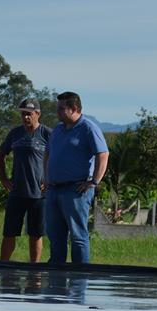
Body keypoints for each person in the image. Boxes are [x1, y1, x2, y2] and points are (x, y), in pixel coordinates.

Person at [44, 91, 109, 264]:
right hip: (54, 189)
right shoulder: (57, 130)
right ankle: (56, 279)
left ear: (74, 109)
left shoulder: (88, 127)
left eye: (61, 108)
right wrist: (46, 178)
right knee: (55, 236)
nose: (57, 112)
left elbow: (103, 154)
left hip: (75, 190)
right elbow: (48, 154)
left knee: (78, 236)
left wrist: (94, 182)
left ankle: (79, 278)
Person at [0, 98, 51, 262]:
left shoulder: (48, 134)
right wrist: (4, 178)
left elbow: (60, 157)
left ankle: (35, 272)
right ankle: (3, 266)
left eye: (29, 114)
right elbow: (0, 155)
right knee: (9, 233)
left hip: (39, 194)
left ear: (38, 114)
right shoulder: (15, 133)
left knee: (35, 234)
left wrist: (49, 180)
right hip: (17, 193)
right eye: (23, 114)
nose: (25, 118)